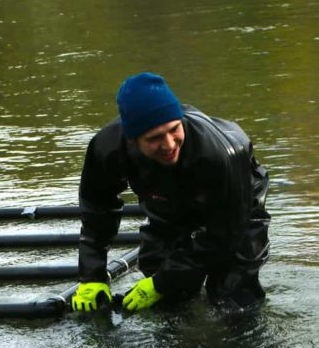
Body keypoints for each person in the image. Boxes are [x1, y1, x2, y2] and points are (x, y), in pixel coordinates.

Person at [70, 72, 270, 314]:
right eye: (154, 138)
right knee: (166, 294)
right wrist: (92, 275)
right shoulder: (107, 148)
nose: (169, 144)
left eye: (174, 129)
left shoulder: (220, 156)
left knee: (234, 296)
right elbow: (96, 211)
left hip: (235, 198)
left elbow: (224, 236)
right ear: (132, 140)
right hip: (166, 197)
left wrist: (162, 282)